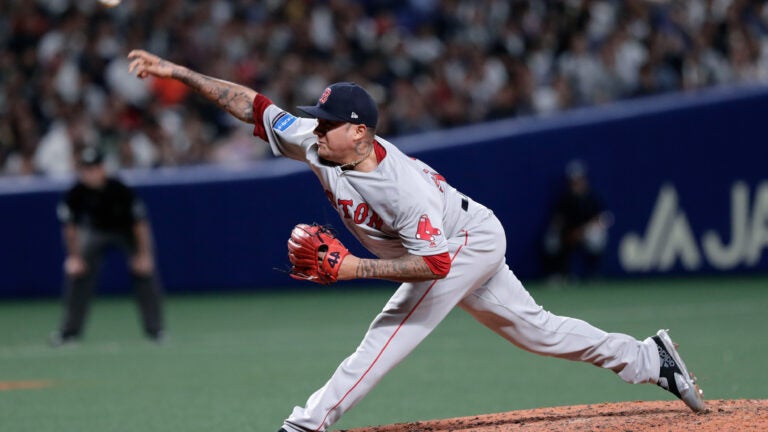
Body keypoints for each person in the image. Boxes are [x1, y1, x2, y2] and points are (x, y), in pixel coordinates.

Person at [127, 49, 705, 432]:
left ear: (360, 131)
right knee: (538, 331)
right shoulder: (313, 140)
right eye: (317, 120)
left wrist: (352, 270)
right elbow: (251, 105)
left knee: (390, 331)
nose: (316, 128)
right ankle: (650, 358)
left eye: (328, 123)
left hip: (461, 242)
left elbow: (431, 265)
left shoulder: (399, 187)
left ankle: (306, 424)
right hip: (456, 236)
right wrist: (177, 73)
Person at [50, 146, 164, 345]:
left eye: (93, 168)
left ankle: (156, 331)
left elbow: (140, 225)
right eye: (85, 169)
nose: (89, 173)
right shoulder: (75, 192)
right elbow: (70, 229)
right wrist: (74, 257)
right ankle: (69, 332)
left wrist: (144, 254)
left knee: (145, 272)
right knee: (78, 274)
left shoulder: (120, 189)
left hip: (127, 233)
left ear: (103, 168)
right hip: (95, 232)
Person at [542, 159, 612, 283]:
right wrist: (564, 233)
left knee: (597, 236)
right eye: (574, 181)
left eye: (579, 180)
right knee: (551, 239)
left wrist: (582, 231)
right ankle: (559, 273)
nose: (577, 183)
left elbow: (604, 218)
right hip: (568, 233)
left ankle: (593, 274)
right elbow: (558, 221)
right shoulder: (565, 199)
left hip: (585, 233)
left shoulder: (592, 197)